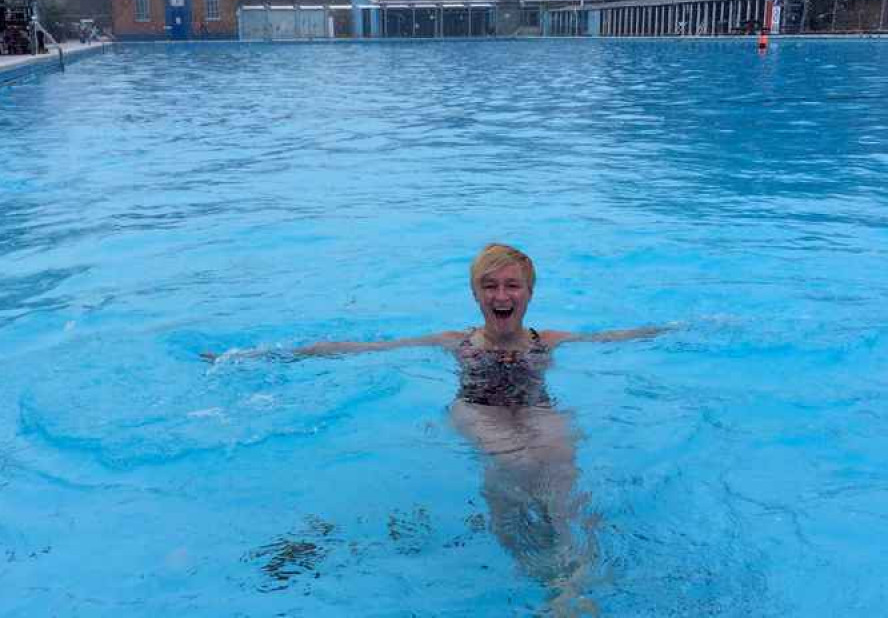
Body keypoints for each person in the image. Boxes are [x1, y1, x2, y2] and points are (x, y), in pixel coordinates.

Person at [203, 243, 664, 612]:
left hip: (537, 409)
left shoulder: (550, 341)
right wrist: (259, 356)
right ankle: (545, 580)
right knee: (513, 468)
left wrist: (683, 328)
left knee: (561, 474)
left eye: (512, 286)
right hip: (477, 409)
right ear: (475, 295)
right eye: (490, 287)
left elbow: (614, 337)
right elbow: (361, 348)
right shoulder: (455, 343)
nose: (501, 296)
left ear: (529, 293)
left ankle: (575, 587)